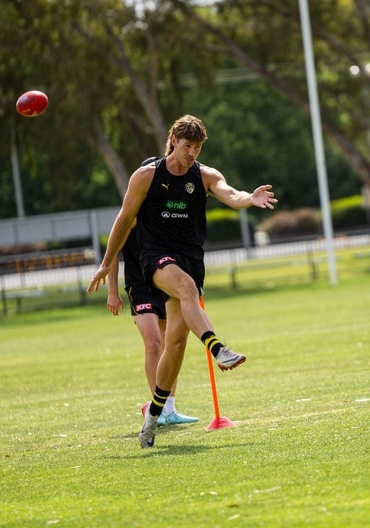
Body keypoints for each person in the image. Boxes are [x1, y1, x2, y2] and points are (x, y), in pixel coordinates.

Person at [88, 115, 277, 448]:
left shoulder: (204, 176)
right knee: (186, 289)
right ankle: (219, 349)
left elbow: (230, 194)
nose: (192, 152)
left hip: (190, 259)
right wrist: (106, 264)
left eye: (198, 147)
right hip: (155, 258)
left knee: (174, 346)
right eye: (188, 145)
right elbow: (124, 219)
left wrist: (249, 198)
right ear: (173, 140)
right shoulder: (147, 176)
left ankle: (153, 416)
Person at [106, 222, 198, 427]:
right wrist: (113, 291)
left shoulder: (160, 214)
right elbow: (111, 253)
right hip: (139, 286)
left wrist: (191, 284)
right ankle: (159, 409)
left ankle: (169, 409)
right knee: (154, 343)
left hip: (163, 283)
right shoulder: (129, 217)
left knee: (170, 344)